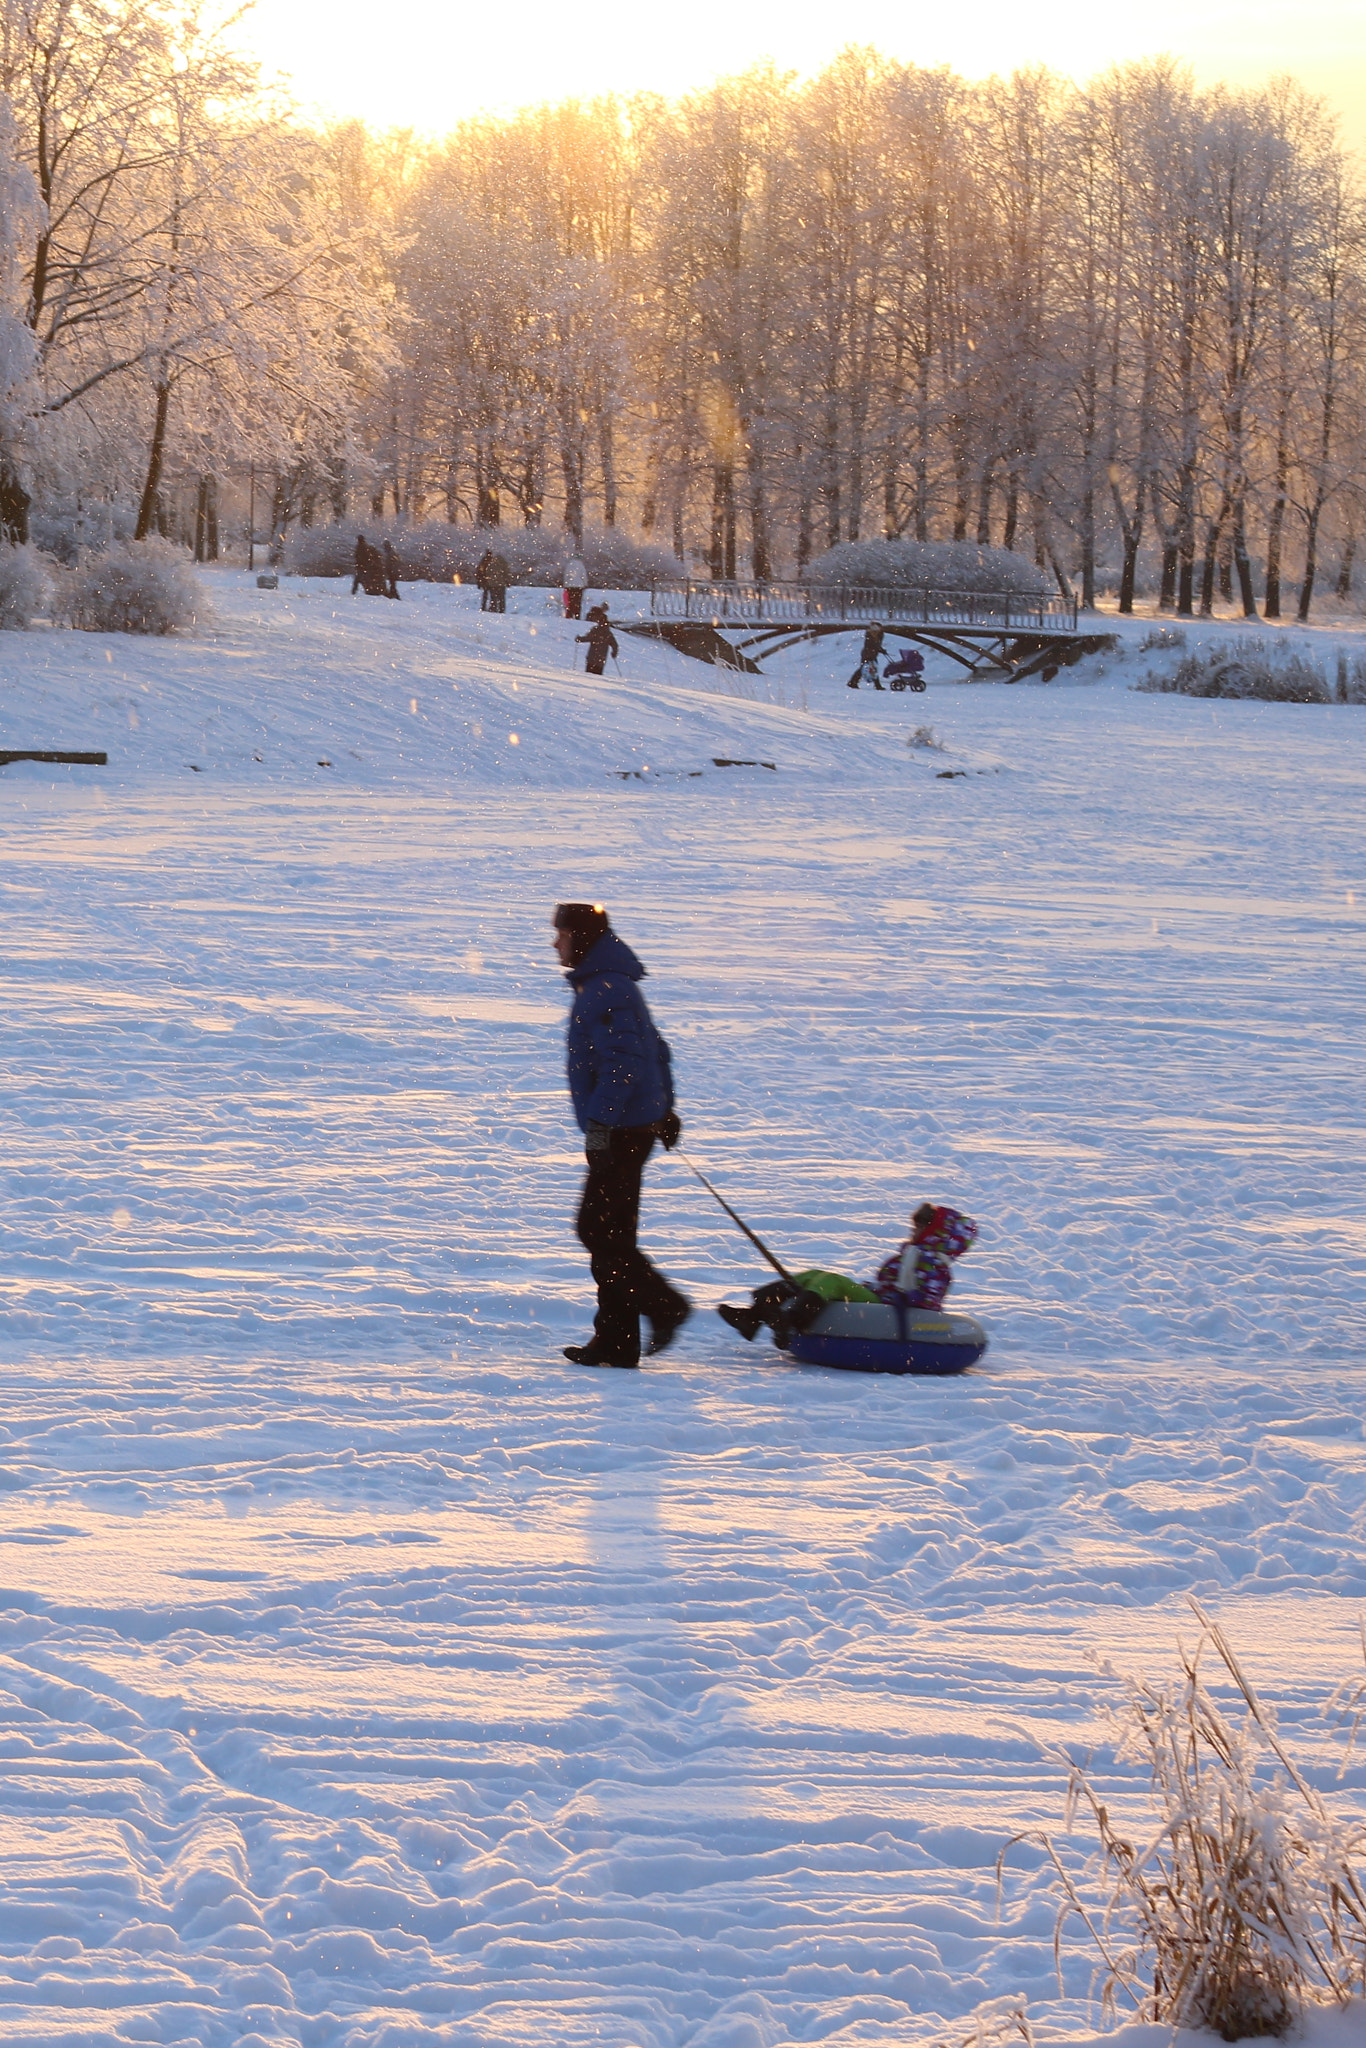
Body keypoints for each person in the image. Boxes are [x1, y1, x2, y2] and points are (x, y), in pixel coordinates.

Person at [554, 902, 692, 1369]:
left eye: (563, 933)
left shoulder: (606, 989)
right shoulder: (608, 984)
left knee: (595, 1230)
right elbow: (656, 1049)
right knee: (612, 1236)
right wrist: (665, 1109)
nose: (556, 943)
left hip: (620, 1132)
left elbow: (626, 1063)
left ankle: (664, 1305)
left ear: (583, 938)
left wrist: (600, 1127)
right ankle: (617, 1341)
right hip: (628, 1127)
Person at [717, 1202, 978, 1344]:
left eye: (920, 1227)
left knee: (832, 1281)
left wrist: (905, 1299)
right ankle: (754, 1315)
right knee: (814, 1275)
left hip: (893, 1310)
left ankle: (794, 1321)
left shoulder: (934, 1266)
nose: (913, 1231)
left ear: (938, 1235)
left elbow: (928, 1301)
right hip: (881, 1302)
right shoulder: (912, 1256)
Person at [577, 604, 618, 677]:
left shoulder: (596, 630)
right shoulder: (608, 634)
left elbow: (587, 638)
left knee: (589, 677)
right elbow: (615, 645)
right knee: (598, 677)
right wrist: (614, 653)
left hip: (592, 659)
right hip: (601, 661)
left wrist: (579, 639)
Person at [847, 622, 886, 689]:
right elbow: (871, 645)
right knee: (865, 668)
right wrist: (879, 649)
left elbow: (876, 645)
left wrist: (880, 649)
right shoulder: (870, 636)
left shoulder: (877, 635)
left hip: (872, 654)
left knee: (869, 668)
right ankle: (877, 685)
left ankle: (853, 682)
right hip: (867, 654)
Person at [476, 548, 510, 614]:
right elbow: (506, 572)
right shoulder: (502, 562)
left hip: (491, 582)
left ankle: (491, 608)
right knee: (501, 598)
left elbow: (482, 571)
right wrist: (507, 581)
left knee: (491, 596)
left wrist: (480, 581)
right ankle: (501, 610)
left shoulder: (486, 561)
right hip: (501, 583)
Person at [562, 552, 589, 620]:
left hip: (570, 586)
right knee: (577, 602)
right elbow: (583, 576)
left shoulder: (569, 565)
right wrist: (585, 584)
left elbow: (566, 576)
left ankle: (570, 615)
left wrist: (565, 585)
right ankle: (577, 615)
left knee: (570, 601)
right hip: (579, 586)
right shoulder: (581, 565)